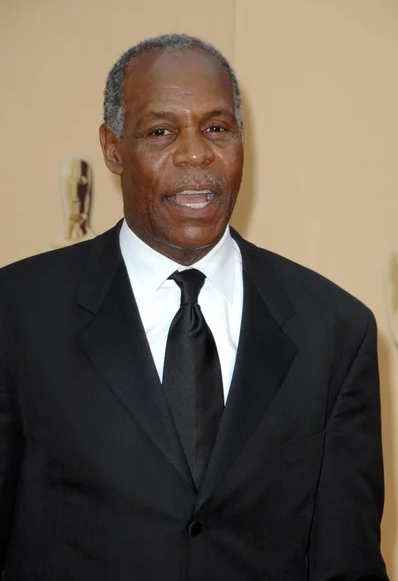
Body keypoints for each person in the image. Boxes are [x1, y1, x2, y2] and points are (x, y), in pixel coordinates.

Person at [0, 33, 389, 580]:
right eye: (161, 131)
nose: (195, 153)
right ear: (112, 147)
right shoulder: (16, 315)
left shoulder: (335, 330)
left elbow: (346, 564)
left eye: (216, 128)